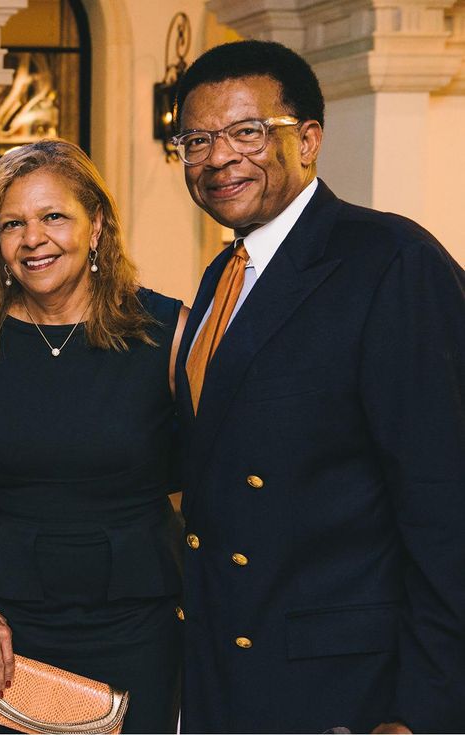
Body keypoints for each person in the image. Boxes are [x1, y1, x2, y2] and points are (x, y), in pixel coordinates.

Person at [169, 40, 465, 733]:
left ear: (308, 140)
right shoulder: (223, 275)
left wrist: (422, 711)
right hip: (230, 667)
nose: (217, 158)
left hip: (344, 686)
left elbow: (445, 507)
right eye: (196, 139)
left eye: (246, 132)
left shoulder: (393, 263)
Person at [0, 139, 188, 733]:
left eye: (54, 217)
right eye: (13, 224)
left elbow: (206, 481)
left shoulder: (167, 332)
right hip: (23, 621)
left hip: (142, 612)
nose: (33, 239)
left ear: (96, 224)